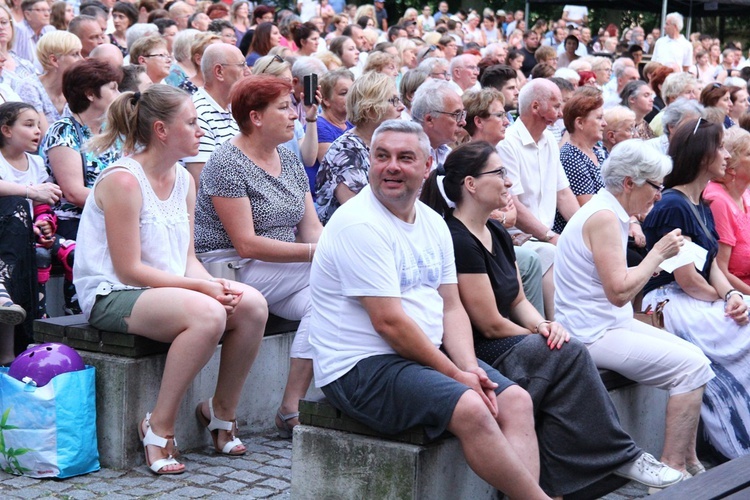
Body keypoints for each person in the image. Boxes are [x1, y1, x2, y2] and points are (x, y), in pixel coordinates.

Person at [421, 140, 684, 496]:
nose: (509, 182)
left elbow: (516, 298)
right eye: (500, 173)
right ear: (471, 184)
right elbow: (487, 323)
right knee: (568, 353)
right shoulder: (457, 238)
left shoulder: (496, 230)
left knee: (562, 358)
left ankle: (568, 481)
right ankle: (619, 458)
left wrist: (542, 324)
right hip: (477, 348)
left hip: (507, 338)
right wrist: (538, 337)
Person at [308, 119, 549, 499]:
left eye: (405, 158)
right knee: (472, 407)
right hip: (359, 368)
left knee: (515, 400)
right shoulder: (359, 224)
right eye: (381, 156)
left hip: (420, 356)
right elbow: (389, 323)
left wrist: (468, 366)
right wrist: (456, 375)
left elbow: (451, 307)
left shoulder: (434, 223)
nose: (391, 166)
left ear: (426, 168)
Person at [75, 84, 267, 475]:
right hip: (113, 293)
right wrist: (202, 289)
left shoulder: (184, 180)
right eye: (193, 122)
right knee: (208, 314)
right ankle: (158, 426)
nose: (202, 131)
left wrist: (213, 284)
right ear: (162, 130)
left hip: (165, 291)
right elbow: (129, 269)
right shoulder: (123, 181)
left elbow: (187, 259)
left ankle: (220, 412)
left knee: (252, 303)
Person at [555, 138, 715, 477]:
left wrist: (653, 262)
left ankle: (688, 462)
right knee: (692, 366)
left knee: (697, 358)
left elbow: (616, 284)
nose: (658, 196)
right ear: (629, 183)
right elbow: (618, 292)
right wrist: (657, 254)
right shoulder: (603, 216)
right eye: (655, 187)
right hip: (592, 333)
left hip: (608, 323)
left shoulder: (608, 211)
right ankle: (673, 470)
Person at [194, 75, 322, 439]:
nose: (294, 115)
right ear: (256, 117)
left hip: (283, 270)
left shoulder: (288, 156)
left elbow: (311, 227)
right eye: (283, 107)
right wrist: (320, 255)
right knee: (340, 279)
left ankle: (290, 407)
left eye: (292, 106)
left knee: (328, 300)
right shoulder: (227, 162)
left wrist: (327, 249)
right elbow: (246, 243)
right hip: (232, 267)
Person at [642, 118, 750, 460]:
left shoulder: (699, 202)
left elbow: (714, 266)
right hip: (670, 300)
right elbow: (686, 278)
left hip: (698, 294)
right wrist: (726, 299)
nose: (726, 156)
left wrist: (733, 295)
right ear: (702, 155)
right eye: (719, 148)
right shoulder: (672, 205)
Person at [497, 78, 580, 319]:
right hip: (519, 237)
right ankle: (555, 327)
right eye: (555, 106)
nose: (561, 112)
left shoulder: (549, 142)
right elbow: (515, 204)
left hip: (545, 235)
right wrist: (549, 236)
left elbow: (563, 194)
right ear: (535, 107)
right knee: (552, 254)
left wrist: (581, 232)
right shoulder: (508, 143)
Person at [41, 59, 122, 242]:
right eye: (113, 88)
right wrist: (125, 205)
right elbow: (73, 193)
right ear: (90, 94)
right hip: (77, 222)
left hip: (111, 216)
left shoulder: (111, 130)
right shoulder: (64, 130)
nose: (120, 94)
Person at [316, 71, 403, 224]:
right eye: (393, 100)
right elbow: (361, 216)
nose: (401, 107)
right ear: (370, 108)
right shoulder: (345, 152)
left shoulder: (386, 144)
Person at [183, 43, 249, 187]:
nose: (248, 71)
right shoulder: (197, 113)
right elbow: (204, 184)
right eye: (242, 65)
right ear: (219, 71)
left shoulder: (232, 107)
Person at [553, 88, 608, 234]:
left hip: (604, 226)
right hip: (586, 234)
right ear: (580, 123)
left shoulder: (598, 152)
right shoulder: (570, 157)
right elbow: (589, 208)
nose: (605, 123)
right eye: (599, 118)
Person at [703, 127, 750, 293]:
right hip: (735, 295)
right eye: (749, 154)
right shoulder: (718, 201)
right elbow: (720, 270)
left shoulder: (745, 193)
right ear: (731, 166)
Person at [16, 31, 82, 136]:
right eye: (75, 54)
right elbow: (45, 137)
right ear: (54, 60)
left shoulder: (77, 88)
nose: (82, 60)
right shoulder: (30, 87)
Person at [307, 68, 354, 195]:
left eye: (352, 92)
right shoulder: (319, 126)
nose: (350, 97)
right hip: (325, 198)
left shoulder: (350, 124)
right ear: (326, 100)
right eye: (343, 93)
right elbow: (336, 167)